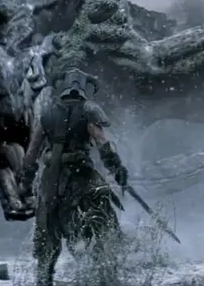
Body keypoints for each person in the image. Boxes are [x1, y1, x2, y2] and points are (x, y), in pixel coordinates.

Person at [18, 67, 130, 286]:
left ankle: (44, 279)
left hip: (51, 181)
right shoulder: (89, 109)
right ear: (83, 88)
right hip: (82, 177)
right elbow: (101, 141)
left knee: (47, 239)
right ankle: (105, 275)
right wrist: (117, 168)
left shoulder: (47, 114)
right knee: (104, 223)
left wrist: (26, 181)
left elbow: (31, 153)